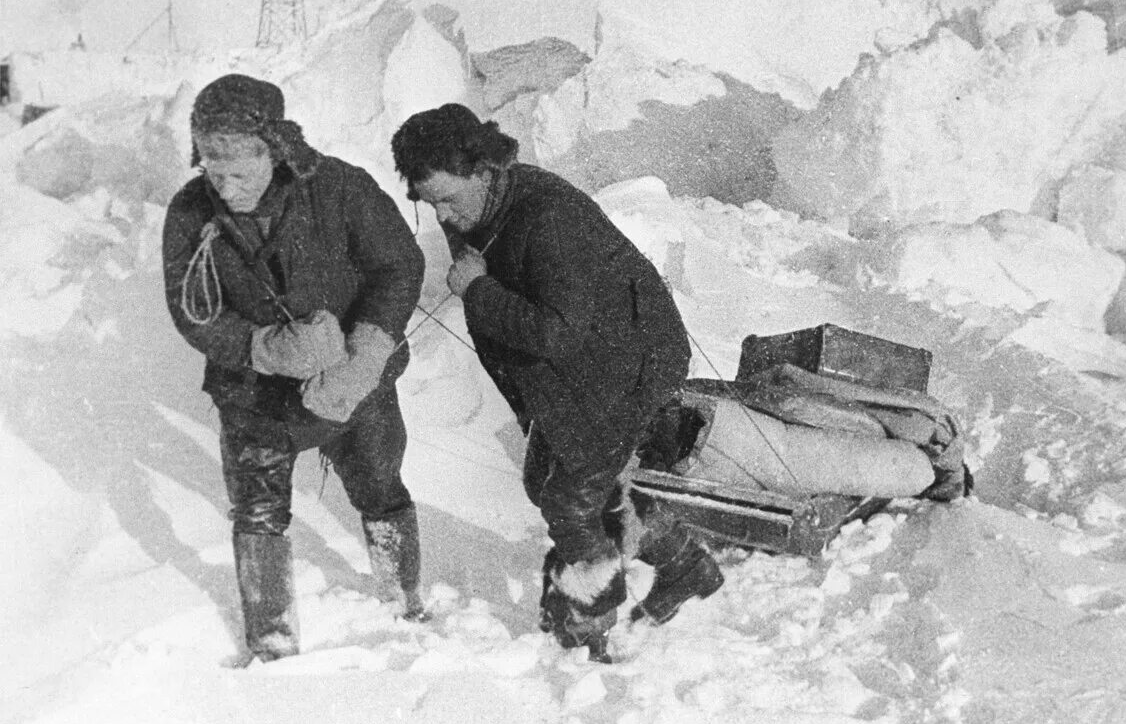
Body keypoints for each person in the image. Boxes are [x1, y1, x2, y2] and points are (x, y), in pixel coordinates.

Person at [391, 103, 723, 661]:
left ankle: (592, 625)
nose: (444, 216)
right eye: (431, 203)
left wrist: (478, 290)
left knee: (569, 498)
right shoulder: (480, 209)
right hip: (580, 366)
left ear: (484, 170)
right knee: (554, 481)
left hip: (627, 363)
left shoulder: (546, 219)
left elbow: (555, 331)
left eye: (450, 198)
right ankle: (686, 565)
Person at [162, 74, 427, 663]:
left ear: (275, 150)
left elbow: (400, 264)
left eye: (240, 168)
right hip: (253, 394)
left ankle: (403, 600)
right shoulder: (189, 212)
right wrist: (264, 347)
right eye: (211, 166)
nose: (225, 184)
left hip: (358, 381)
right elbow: (190, 310)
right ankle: (272, 642)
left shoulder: (337, 187)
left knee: (379, 484)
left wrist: (366, 354)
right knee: (257, 510)